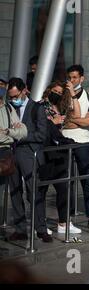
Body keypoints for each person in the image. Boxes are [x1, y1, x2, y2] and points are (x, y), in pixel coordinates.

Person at [6, 78, 52, 243]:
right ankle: (20, 229)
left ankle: (41, 228)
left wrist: (20, 135)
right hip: (11, 154)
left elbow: (41, 134)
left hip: (30, 153)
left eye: (15, 96)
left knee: (34, 192)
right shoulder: (7, 108)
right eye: (10, 97)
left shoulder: (36, 108)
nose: (13, 99)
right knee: (15, 192)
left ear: (24, 90)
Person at [62, 65, 89, 229]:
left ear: (82, 78)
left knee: (86, 181)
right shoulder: (63, 95)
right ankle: (67, 218)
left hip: (83, 142)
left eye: (75, 77)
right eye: (70, 77)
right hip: (65, 141)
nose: (72, 80)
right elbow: (63, 119)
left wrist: (72, 120)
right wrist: (74, 119)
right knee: (66, 182)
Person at [39, 81, 82, 234]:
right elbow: (38, 126)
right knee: (41, 190)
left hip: (59, 152)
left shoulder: (60, 106)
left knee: (64, 188)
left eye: (60, 92)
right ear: (48, 90)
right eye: (54, 91)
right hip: (45, 152)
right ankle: (40, 224)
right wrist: (53, 122)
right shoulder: (40, 106)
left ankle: (64, 222)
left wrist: (71, 92)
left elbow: (77, 115)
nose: (56, 94)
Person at [0, 86, 27, 228]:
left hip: (4, 153)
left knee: (2, 191)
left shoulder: (8, 108)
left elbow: (23, 131)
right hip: (4, 147)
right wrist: (10, 132)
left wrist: (7, 131)